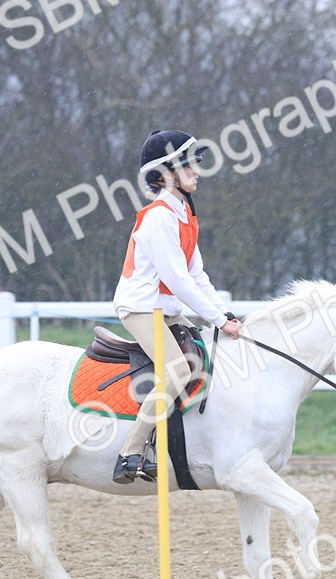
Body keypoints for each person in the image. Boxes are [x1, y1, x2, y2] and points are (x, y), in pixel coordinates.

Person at [111, 129, 242, 483]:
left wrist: (224, 314)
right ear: (166, 174)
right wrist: (218, 319)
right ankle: (130, 452)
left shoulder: (182, 213)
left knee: (205, 351)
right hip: (141, 309)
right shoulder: (158, 218)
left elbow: (197, 275)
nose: (197, 171)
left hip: (165, 310)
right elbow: (179, 281)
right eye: (189, 166)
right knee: (178, 371)